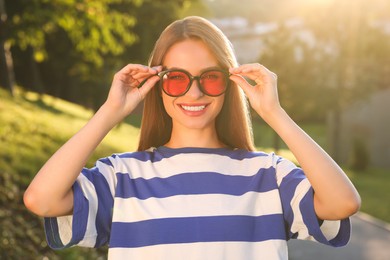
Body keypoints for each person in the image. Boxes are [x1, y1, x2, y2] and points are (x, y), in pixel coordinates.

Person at [24, 16, 361, 259]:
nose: (195, 92)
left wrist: (273, 113)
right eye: (176, 79)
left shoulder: (268, 175)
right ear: (156, 85)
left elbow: (341, 203)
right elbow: (42, 200)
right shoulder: (122, 177)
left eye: (211, 78)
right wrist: (110, 112)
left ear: (230, 83)